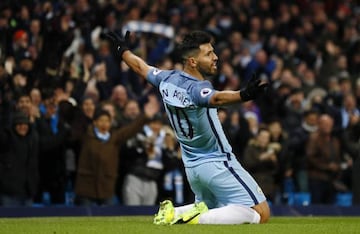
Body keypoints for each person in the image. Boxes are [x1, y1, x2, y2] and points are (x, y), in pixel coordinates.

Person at [106, 30, 270, 225]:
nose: (215, 57)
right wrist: (244, 95)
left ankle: (173, 214)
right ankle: (196, 219)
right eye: (208, 54)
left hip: (192, 167)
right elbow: (216, 98)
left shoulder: (166, 79)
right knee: (260, 213)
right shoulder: (197, 88)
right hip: (217, 162)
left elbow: (141, 67)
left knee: (214, 206)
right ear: (192, 61)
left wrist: (123, 50)